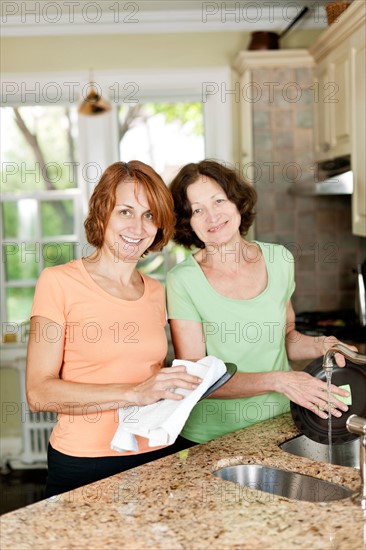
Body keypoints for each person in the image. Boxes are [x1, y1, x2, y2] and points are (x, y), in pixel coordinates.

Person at [26, 161, 201, 497]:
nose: (138, 227)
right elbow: (39, 393)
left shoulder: (157, 292)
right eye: (125, 211)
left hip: (155, 454)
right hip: (85, 461)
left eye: (150, 215)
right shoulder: (59, 282)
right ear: (103, 213)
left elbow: (154, 374)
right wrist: (134, 393)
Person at [166, 160, 355, 445]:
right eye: (197, 210)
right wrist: (280, 380)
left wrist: (324, 344)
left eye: (219, 200)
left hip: (280, 424)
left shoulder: (279, 259)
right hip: (211, 437)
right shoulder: (182, 280)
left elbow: (287, 338)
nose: (212, 216)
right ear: (187, 222)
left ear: (237, 202)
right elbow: (198, 378)